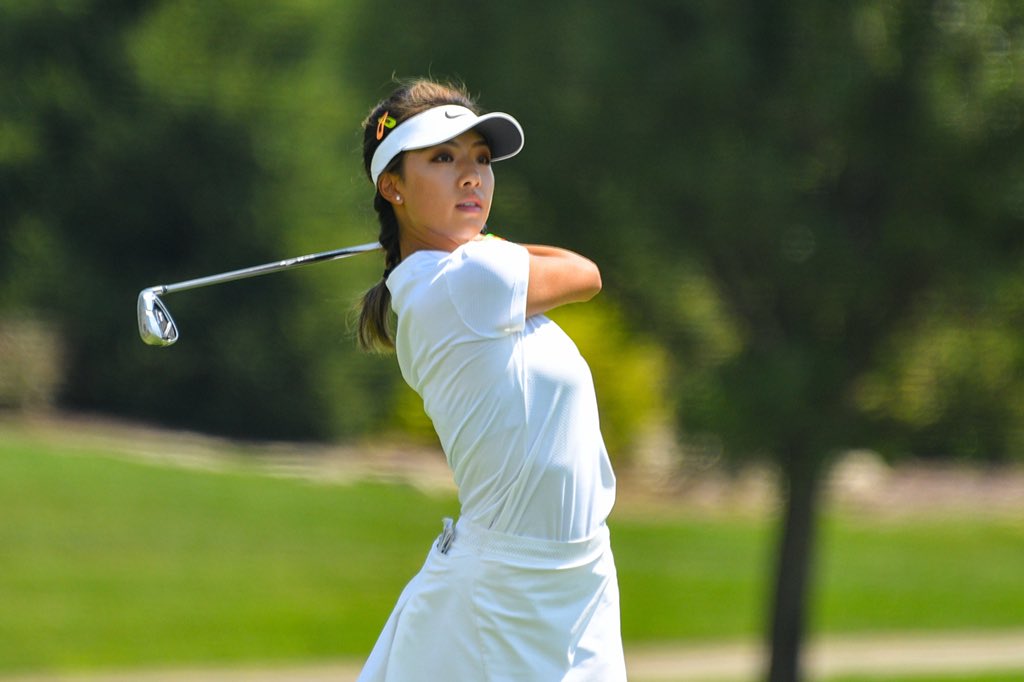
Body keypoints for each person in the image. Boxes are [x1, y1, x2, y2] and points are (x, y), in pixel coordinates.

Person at [354, 78, 626, 682]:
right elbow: (585, 273)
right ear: (391, 186)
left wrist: (470, 239)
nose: (471, 175)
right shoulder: (463, 282)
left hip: (580, 578)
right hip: (506, 593)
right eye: (443, 158)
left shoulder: (454, 278)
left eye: (480, 158)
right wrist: (482, 240)